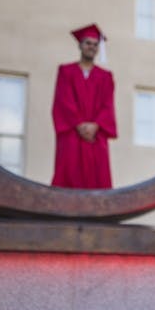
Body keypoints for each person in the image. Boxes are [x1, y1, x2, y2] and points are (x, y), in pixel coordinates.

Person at [51, 23, 117, 189]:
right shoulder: (66, 71)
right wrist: (79, 125)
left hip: (96, 135)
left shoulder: (105, 77)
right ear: (80, 45)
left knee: (97, 179)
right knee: (69, 174)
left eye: (95, 44)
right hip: (72, 132)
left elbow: (107, 105)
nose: (92, 47)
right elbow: (63, 101)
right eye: (88, 43)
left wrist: (96, 125)